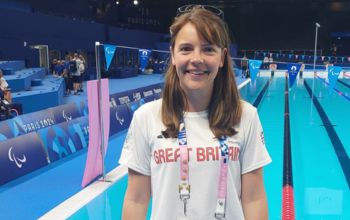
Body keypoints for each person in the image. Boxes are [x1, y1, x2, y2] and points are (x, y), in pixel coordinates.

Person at [119, 5, 271, 220]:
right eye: (186, 48)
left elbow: (253, 198)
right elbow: (136, 199)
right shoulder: (146, 117)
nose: (197, 58)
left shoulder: (246, 116)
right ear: (173, 55)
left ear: (221, 57)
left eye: (208, 49)